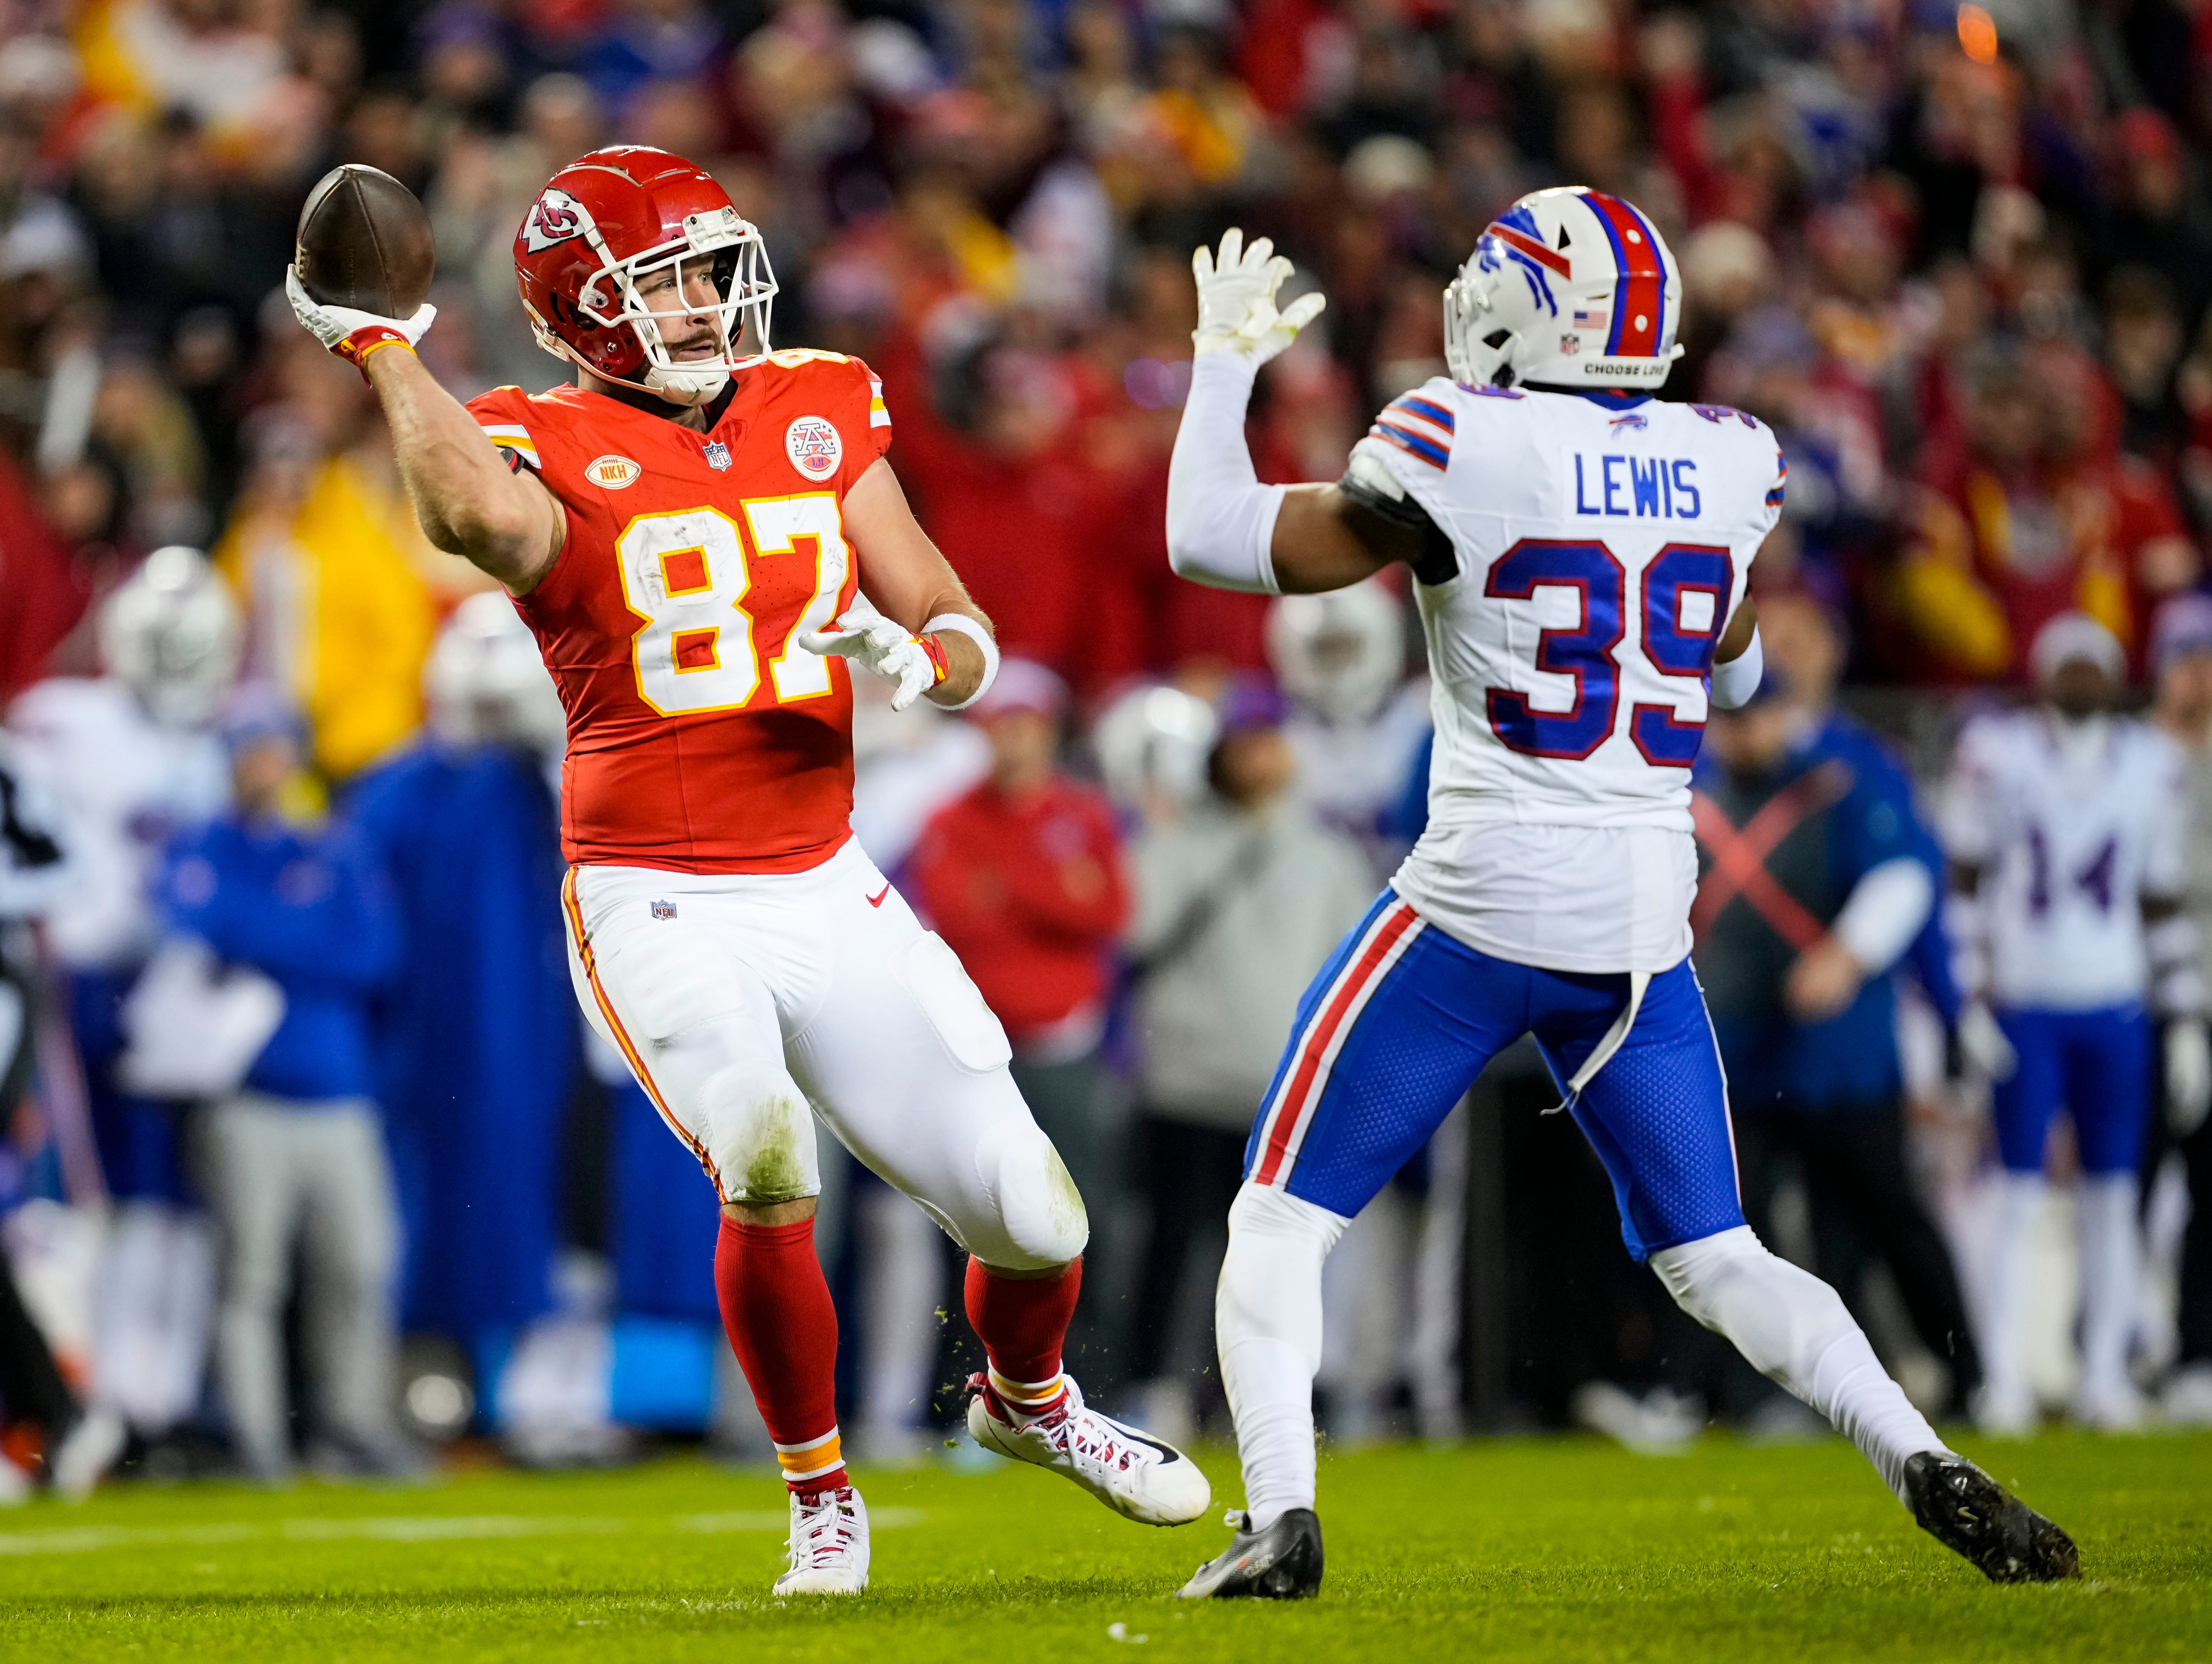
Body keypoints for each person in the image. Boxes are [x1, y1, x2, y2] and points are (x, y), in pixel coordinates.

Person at [282, 145, 1207, 1596]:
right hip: (653, 887)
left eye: (718, 270)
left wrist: (931, 661)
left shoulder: (819, 400)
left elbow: (948, 617)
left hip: (821, 870)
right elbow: (478, 525)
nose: (712, 301)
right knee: (764, 1152)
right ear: (587, 309)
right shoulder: (530, 432)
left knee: (1034, 1215)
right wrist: (385, 351)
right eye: (670, 280)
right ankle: (820, 1493)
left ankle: (1029, 1406)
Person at [1161, 195, 2076, 1598]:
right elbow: (1737, 672)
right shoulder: (1726, 457)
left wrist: (1222, 363)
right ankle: (1917, 1452)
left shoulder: (1456, 438)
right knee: (1715, 1249)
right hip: (1642, 921)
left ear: (1535, 311)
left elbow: (1208, 538)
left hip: (1477, 901)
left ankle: (1279, 1513)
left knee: (1282, 1217)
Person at [1693, 661, 1983, 1420]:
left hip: (1838, 1053)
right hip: (1736, 1047)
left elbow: (1907, 876)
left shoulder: (1846, 772)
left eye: (1754, 716)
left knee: (1880, 1213)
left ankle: (1966, 1370)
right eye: (1729, 718)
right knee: (1738, 1230)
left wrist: (1847, 953)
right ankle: (1755, 1396)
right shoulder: (1693, 778)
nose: (1741, 734)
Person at [1943, 613, 2209, 1433]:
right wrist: (1967, 1001)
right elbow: (1964, 888)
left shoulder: (2154, 766)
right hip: (2027, 1003)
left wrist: (2188, 1017)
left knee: (2115, 1196)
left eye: (2096, 664)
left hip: (2118, 1001)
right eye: (2071, 664)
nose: (2083, 678)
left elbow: (2161, 902)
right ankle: (2006, 1378)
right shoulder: (1998, 754)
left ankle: (2105, 1377)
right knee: (2018, 1197)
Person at [6, 548, 237, 1453]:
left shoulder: (234, 739)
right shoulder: (64, 725)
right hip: (90, 987)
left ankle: (160, 1399)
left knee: (182, 1210)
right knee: (97, 1204)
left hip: (200, 994)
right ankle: (95, 1391)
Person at [164, 685, 411, 1481]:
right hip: (245, 1096)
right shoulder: (207, 843)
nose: (265, 765)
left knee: (363, 1268)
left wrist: (265, 938)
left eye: (275, 748)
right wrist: (301, 936)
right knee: (251, 1280)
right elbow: (195, 921)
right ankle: (258, 1443)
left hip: (339, 1096)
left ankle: (350, 1426)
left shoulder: (332, 847)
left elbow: (373, 955)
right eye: (251, 748)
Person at [1121, 678, 1374, 1444]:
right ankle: (1156, 1385)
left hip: (1285, 1092)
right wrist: (1166, 834)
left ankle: (1266, 1390)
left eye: (1268, 740)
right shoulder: (1177, 841)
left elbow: (1357, 968)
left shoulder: (1327, 851)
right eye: (1243, 743)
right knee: (1173, 1243)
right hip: (1188, 1082)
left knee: (1276, 1254)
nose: (1258, 757)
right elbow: (1133, 931)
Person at [2148, 595, 2212, 1424]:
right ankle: (2116, 1344)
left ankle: (2197, 1348)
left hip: (2207, 993)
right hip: (2137, 996)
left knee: (2208, 1189)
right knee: (2117, 1183)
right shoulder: (2134, 757)